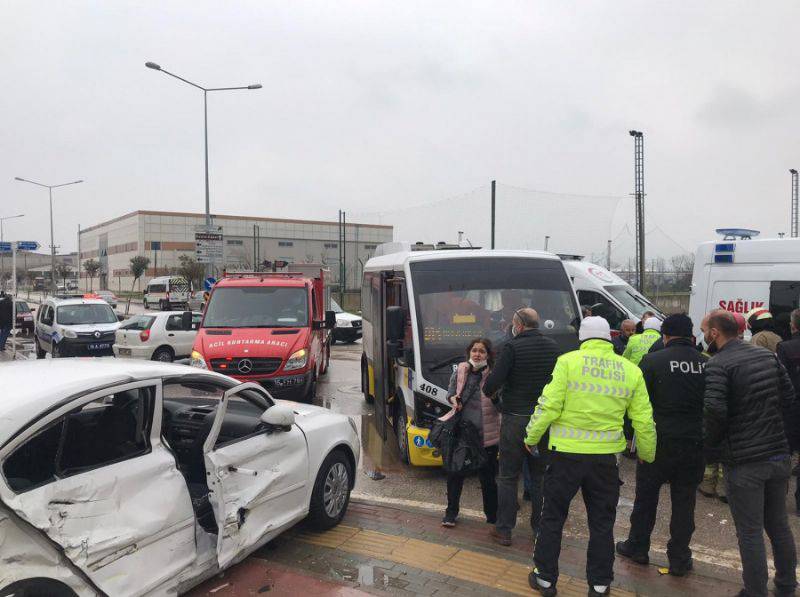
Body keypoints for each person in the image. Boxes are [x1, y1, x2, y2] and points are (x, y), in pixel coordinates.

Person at [525, 316, 656, 597]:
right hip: (605, 460)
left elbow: (548, 406)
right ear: (609, 339)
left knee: (552, 517)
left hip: (565, 457)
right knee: (601, 523)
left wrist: (531, 437)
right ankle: (599, 585)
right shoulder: (630, 370)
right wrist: (646, 452)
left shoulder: (567, 362)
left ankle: (545, 579)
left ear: (582, 338)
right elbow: (644, 420)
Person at [702, 310, 797, 597]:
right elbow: (789, 398)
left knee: (750, 531)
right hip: (778, 455)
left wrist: (711, 448)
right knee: (779, 525)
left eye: (705, 329)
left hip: (744, 462)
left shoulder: (718, 365)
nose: (703, 334)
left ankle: (755, 591)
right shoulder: (768, 357)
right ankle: (786, 586)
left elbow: (715, 412)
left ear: (715, 333)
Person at [616, 314, 708, 576]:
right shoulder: (706, 364)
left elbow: (637, 406)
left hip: (657, 442)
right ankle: (679, 558)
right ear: (691, 336)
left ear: (664, 336)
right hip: (693, 444)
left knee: (646, 498)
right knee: (684, 502)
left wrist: (632, 439)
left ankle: (638, 547)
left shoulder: (653, 361)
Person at [483, 308, 559, 546]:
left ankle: (504, 530)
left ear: (519, 325)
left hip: (515, 419)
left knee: (507, 476)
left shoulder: (512, 347)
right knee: (540, 477)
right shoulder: (554, 348)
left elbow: (492, 383)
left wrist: (493, 394)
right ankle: (539, 529)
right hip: (544, 421)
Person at [441, 338, 501, 527]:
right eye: (474, 350)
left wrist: (495, 398)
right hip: (462, 433)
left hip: (487, 436)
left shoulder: (494, 375)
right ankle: (451, 513)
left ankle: (492, 516)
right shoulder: (460, 371)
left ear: (488, 355)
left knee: (488, 479)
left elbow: (502, 404)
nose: (477, 354)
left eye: (482, 351)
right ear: (469, 352)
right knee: (455, 474)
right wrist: (454, 399)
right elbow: (449, 393)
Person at [775, 308, 800, 516]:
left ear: (793, 326)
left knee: (784, 454)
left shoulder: (786, 347)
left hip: (791, 408)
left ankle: (778, 498)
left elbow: (781, 380)